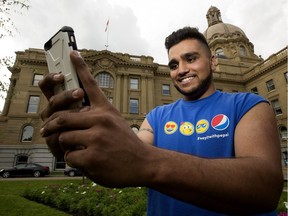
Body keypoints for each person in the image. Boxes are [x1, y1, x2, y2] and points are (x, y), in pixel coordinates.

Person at [39, 27, 283, 215]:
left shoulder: (248, 104)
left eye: (191, 58)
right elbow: (125, 156)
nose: (181, 69)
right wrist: (81, 142)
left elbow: (265, 188)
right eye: (174, 64)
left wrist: (147, 162)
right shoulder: (156, 117)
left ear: (213, 61)